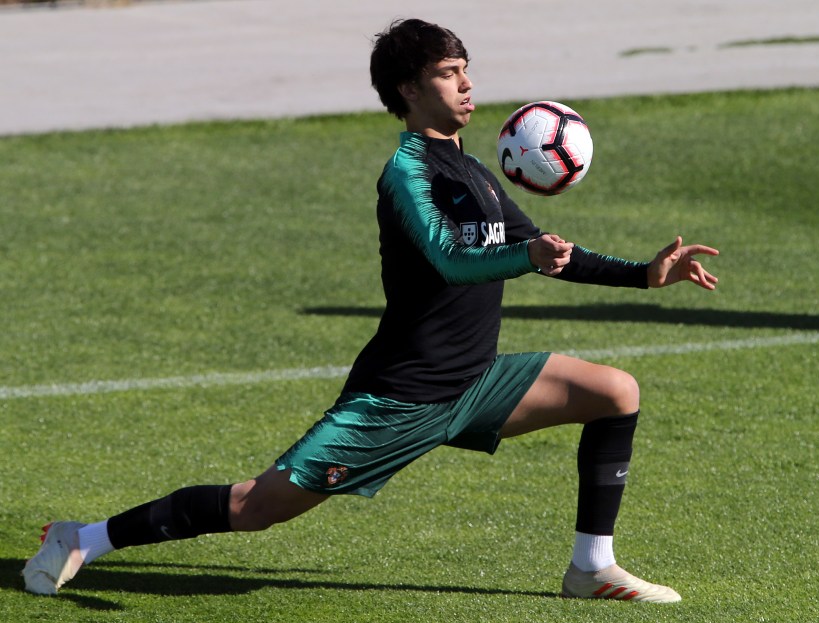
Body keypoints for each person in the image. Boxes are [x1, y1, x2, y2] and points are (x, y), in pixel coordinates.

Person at [23, 18, 718, 604]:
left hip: (475, 382)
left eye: (466, 69)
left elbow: (542, 248)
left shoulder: (474, 170)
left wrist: (643, 276)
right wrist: (523, 260)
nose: (467, 83)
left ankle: (590, 567)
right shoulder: (408, 172)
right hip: (400, 397)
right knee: (253, 508)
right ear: (411, 90)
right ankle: (82, 537)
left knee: (614, 391)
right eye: (450, 73)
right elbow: (450, 258)